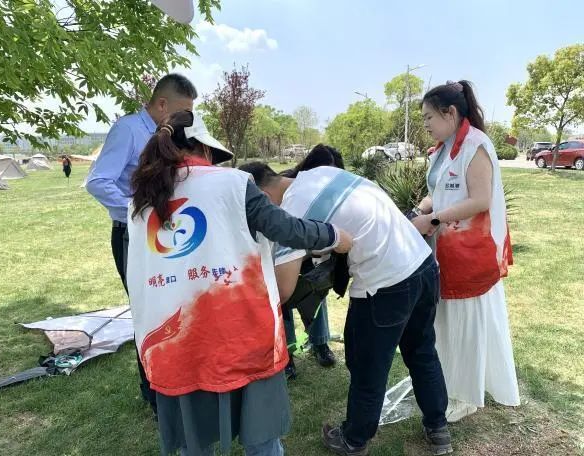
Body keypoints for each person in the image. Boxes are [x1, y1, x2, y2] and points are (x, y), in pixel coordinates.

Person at [127, 111, 352, 456]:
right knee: (261, 440)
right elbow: (287, 229)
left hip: (175, 343)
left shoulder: (140, 201)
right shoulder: (233, 184)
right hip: (240, 335)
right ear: (204, 148)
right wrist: (334, 235)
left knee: (193, 442)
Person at [240, 162, 452, 456]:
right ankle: (438, 427)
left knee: (367, 365)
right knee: (422, 351)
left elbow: (283, 289)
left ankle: (354, 439)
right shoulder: (318, 175)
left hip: (384, 285)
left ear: (262, 196)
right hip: (422, 263)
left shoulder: (291, 210)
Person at [86, 73, 198, 415]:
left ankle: (175, 379)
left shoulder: (168, 134)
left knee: (172, 304)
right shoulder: (129, 130)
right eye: (181, 112)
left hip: (164, 232)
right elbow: (98, 181)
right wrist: (139, 211)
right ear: (162, 104)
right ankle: (152, 390)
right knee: (147, 311)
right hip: (132, 235)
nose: (185, 119)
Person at [410, 80, 520, 422]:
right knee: (448, 320)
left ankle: (466, 395)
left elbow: (480, 199)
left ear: (450, 113)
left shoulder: (476, 145)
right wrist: (420, 210)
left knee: (465, 321)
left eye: (429, 117)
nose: (426, 125)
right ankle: (450, 382)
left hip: (470, 248)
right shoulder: (443, 149)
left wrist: (434, 218)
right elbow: (439, 191)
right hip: (445, 246)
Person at [279, 144, 346, 377]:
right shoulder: (289, 184)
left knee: (316, 293)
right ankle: (287, 355)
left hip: (316, 252)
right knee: (282, 300)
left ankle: (320, 343)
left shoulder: (335, 190)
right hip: (284, 251)